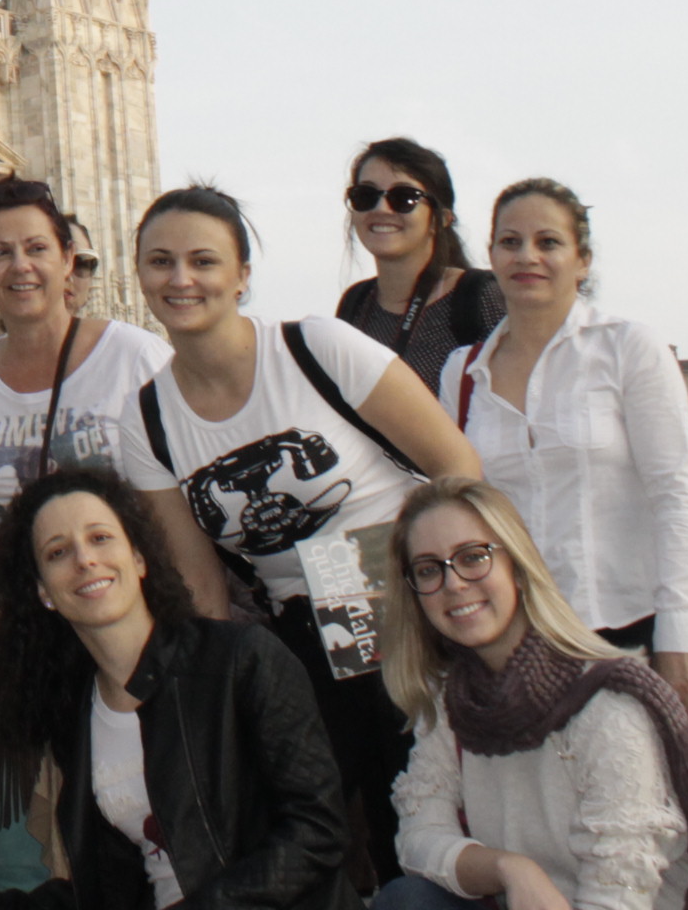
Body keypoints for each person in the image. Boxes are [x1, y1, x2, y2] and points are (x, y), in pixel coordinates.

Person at [114, 184, 480, 884]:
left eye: (203, 261)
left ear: (242, 275)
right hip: (303, 636)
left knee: (430, 813)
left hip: (411, 607)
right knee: (310, 828)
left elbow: (457, 467)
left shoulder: (315, 346)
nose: (181, 279)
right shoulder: (147, 420)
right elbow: (199, 587)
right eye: (160, 262)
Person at [0, 466, 351, 910]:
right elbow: (113, 888)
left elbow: (318, 830)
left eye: (101, 538)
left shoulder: (241, 659)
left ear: (139, 557)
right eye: (58, 552)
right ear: (44, 592)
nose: (85, 560)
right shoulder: (77, 715)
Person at [379, 476, 688, 910]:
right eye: (429, 569)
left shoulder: (608, 701)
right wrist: (510, 869)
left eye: (473, 558)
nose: (453, 584)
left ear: (519, 568)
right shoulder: (451, 701)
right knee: (408, 899)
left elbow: (619, 886)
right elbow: (419, 836)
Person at [439, 178, 688, 721]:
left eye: (548, 242)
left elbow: (677, 495)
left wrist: (680, 634)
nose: (528, 257)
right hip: (511, 640)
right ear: (492, 256)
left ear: (582, 260)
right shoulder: (461, 373)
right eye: (510, 242)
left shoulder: (629, 347)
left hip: (624, 632)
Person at [0, 177, 169, 606]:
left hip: (137, 610)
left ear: (67, 259)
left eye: (37, 248)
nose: (20, 265)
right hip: (27, 624)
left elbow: (179, 514)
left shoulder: (135, 357)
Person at [332, 139, 503, 399]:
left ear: (441, 219)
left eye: (404, 198)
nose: (382, 209)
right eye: (365, 196)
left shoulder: (480, 298)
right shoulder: (356, 303)